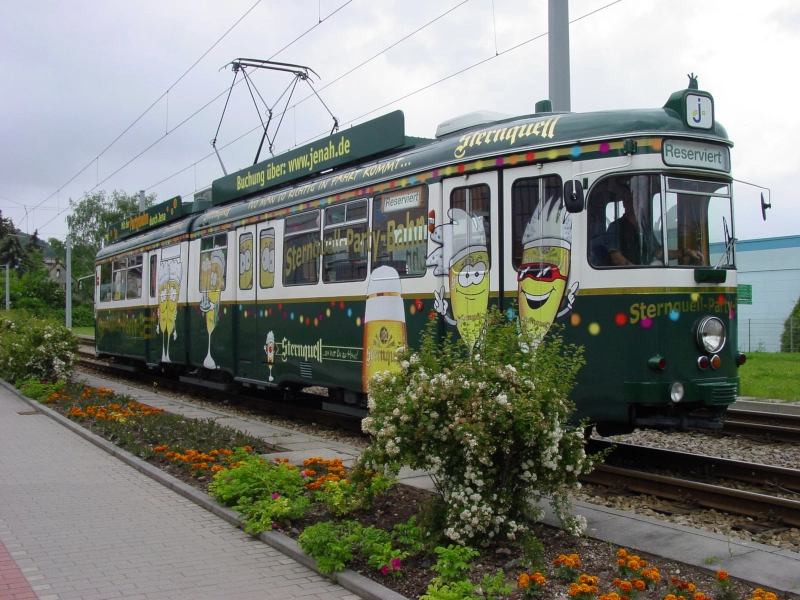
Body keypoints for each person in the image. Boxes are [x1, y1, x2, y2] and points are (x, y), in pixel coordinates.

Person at [606, 186, 703, 266]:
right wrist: (637, 271)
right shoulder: (615, 227)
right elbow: (616, 258)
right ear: (624, 203)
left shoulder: (645, 228)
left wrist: (686, 252)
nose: (637, 203)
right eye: (632, 199)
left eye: (639, 199)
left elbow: (660, 253)